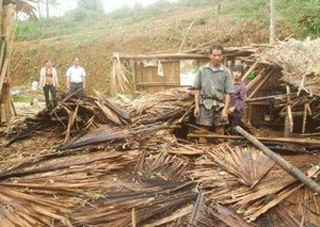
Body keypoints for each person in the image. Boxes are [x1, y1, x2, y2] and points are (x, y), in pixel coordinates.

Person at [193, 44, 234, 143]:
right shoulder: (202, 70)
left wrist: (225, 110)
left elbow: (229, 93)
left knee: (220, 132)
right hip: (205, 104)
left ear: (222, 56)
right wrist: (197, 106)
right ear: (210, 56)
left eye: (219, 55)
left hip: (220, 105)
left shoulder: (226, 72)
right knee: (203, 132)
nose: (217, 58)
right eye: (215, 55)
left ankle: (219, 155)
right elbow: (197, 89)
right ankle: (202, 155)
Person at [228, 64, 247, 135]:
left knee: (235, 129)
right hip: (227, 109)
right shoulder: (229, 83)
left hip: (235, 112)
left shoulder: (242, 86)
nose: (236, 74)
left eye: (239, 72)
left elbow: (243, 100)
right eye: (235, 71)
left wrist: (234, 107)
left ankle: (235, 143)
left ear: (242, 74)